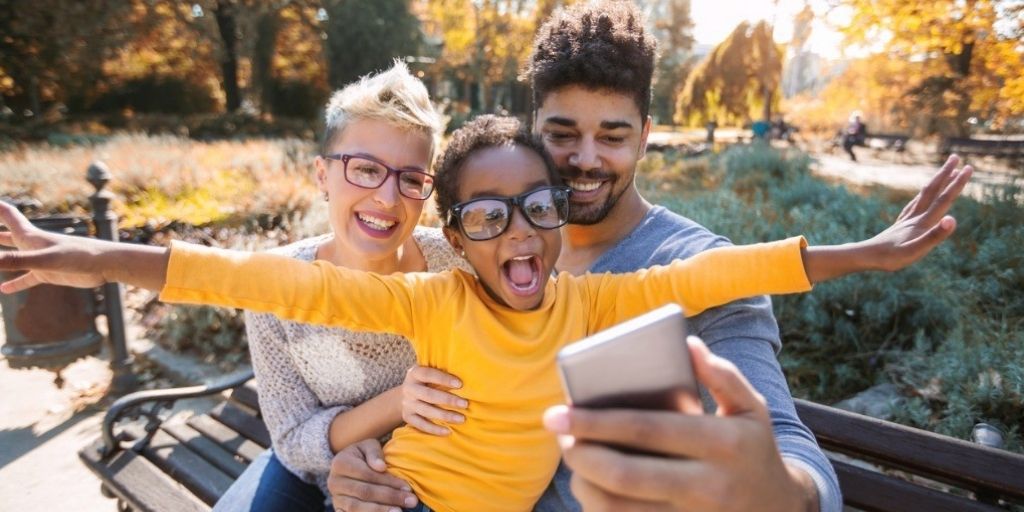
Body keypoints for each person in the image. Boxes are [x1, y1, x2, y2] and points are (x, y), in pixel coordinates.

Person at [0, 112, 970, 511]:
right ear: (451, 235)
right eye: (489, 213)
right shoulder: (426, 297)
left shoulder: (593, 298)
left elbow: (729, 272)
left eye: (539, 207)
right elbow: (239, 276)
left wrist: (872, 251)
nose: (521, 231)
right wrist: (77, 253)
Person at [324, 3, 975, 511]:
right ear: (531, 129)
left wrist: (785, 493)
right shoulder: (471, 249)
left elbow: (780, 436)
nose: (584, 159)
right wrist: (363, 463)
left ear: (646, 139)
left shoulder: (696, 269)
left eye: (612, 136)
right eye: (561, 135)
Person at [210, 62, 469, 511]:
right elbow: (291, 439)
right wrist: (397, 402)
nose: (387, 199)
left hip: (414, 474)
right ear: (321, 175)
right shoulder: (274, 285)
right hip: (309, 474)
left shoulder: (453, 266)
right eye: (365, 169)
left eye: (410, 178)